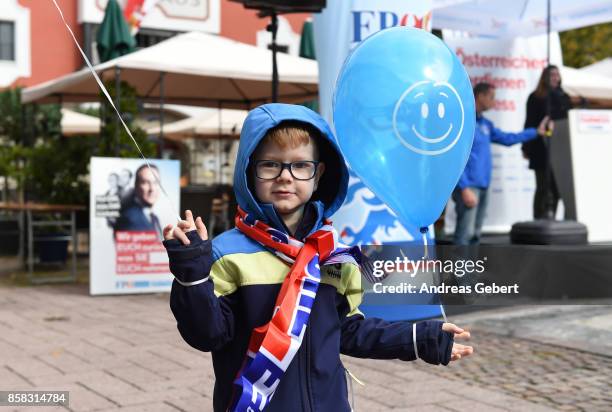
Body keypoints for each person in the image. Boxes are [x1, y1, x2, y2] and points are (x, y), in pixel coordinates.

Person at [162, 104, 473, 412]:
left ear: (319, 173)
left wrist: (420, 337)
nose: (285, 177)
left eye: (300, 166)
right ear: (248, 170)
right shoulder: (227, 253)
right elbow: (207, 335)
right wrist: (192, 273)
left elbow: (349, 330)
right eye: (270, 165)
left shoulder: (335, 253)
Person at [453, 83, 551, 245]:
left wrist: (536, 132)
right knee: (465, 234)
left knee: (475, 234)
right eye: (491, 97)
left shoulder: (485, 124)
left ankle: (470, 270)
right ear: (480, 96)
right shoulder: (464, 122)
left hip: (483, 186)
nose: (494, 102)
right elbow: (456, 158)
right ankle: (457, 271)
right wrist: (464, 188)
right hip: (469, 187)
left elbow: (507, 138)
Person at [522, 65, 572, 219]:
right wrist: (526, 146)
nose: (555, 78)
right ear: (545, 77)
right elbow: (529, 122)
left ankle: (552, 217)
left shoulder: (563, 96)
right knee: (543, 186)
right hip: (540, 148)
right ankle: (539, 218)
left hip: (560, 148)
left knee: (557, 187)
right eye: (552, 75)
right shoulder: (535, 97)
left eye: (557, 75)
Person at [114, 164, 162, 235]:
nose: (152, 189)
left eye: (155, 182)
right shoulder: (128, 218)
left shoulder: (154, 218)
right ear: (136, 186)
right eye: (145, 182)